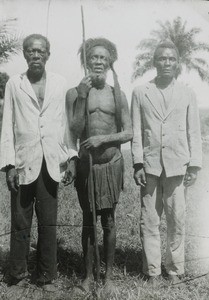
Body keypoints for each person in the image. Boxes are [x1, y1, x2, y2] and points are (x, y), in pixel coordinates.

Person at [0, 34, 77, 289]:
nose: (36, 55)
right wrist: (9, 164)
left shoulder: (59, 83)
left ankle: (46, 277)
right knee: (21, 221)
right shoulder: (14, 83)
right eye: (31, 51)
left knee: (48, 221)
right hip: (23, 162)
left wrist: (71, 157)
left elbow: (65, 124)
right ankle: (18, 275)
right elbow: (7, 126)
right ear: (24, 54)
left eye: (41, 51)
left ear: (48, 55)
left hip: (51, 162)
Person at [131, 40, 202, 285]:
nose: (167, 63)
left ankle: (174, 270)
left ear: (177, 62)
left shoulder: (187, 93)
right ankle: (152, 271)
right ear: (154, 62)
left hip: (177, 166)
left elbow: (194, 131)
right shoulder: (141, 92)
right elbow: (137, 131)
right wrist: (138, 163)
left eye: (171, 59)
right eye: (162, 58)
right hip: (150, 167)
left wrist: (194, 164)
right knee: (149, 220)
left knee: (177, 218)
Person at [65, 37, 132, 292]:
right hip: (87, 167)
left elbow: (128, 132)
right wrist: (82, 98)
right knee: (87, 220)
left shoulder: (118, 94)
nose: (99, 62)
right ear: (86, 61)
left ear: (110, 62)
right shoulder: (75, 92)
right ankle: (88, 276)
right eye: (94, 57)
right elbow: (73, 131)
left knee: (109, 221)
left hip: (111, 164)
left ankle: (109, 279)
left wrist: (103, 138)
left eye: (103, 58)